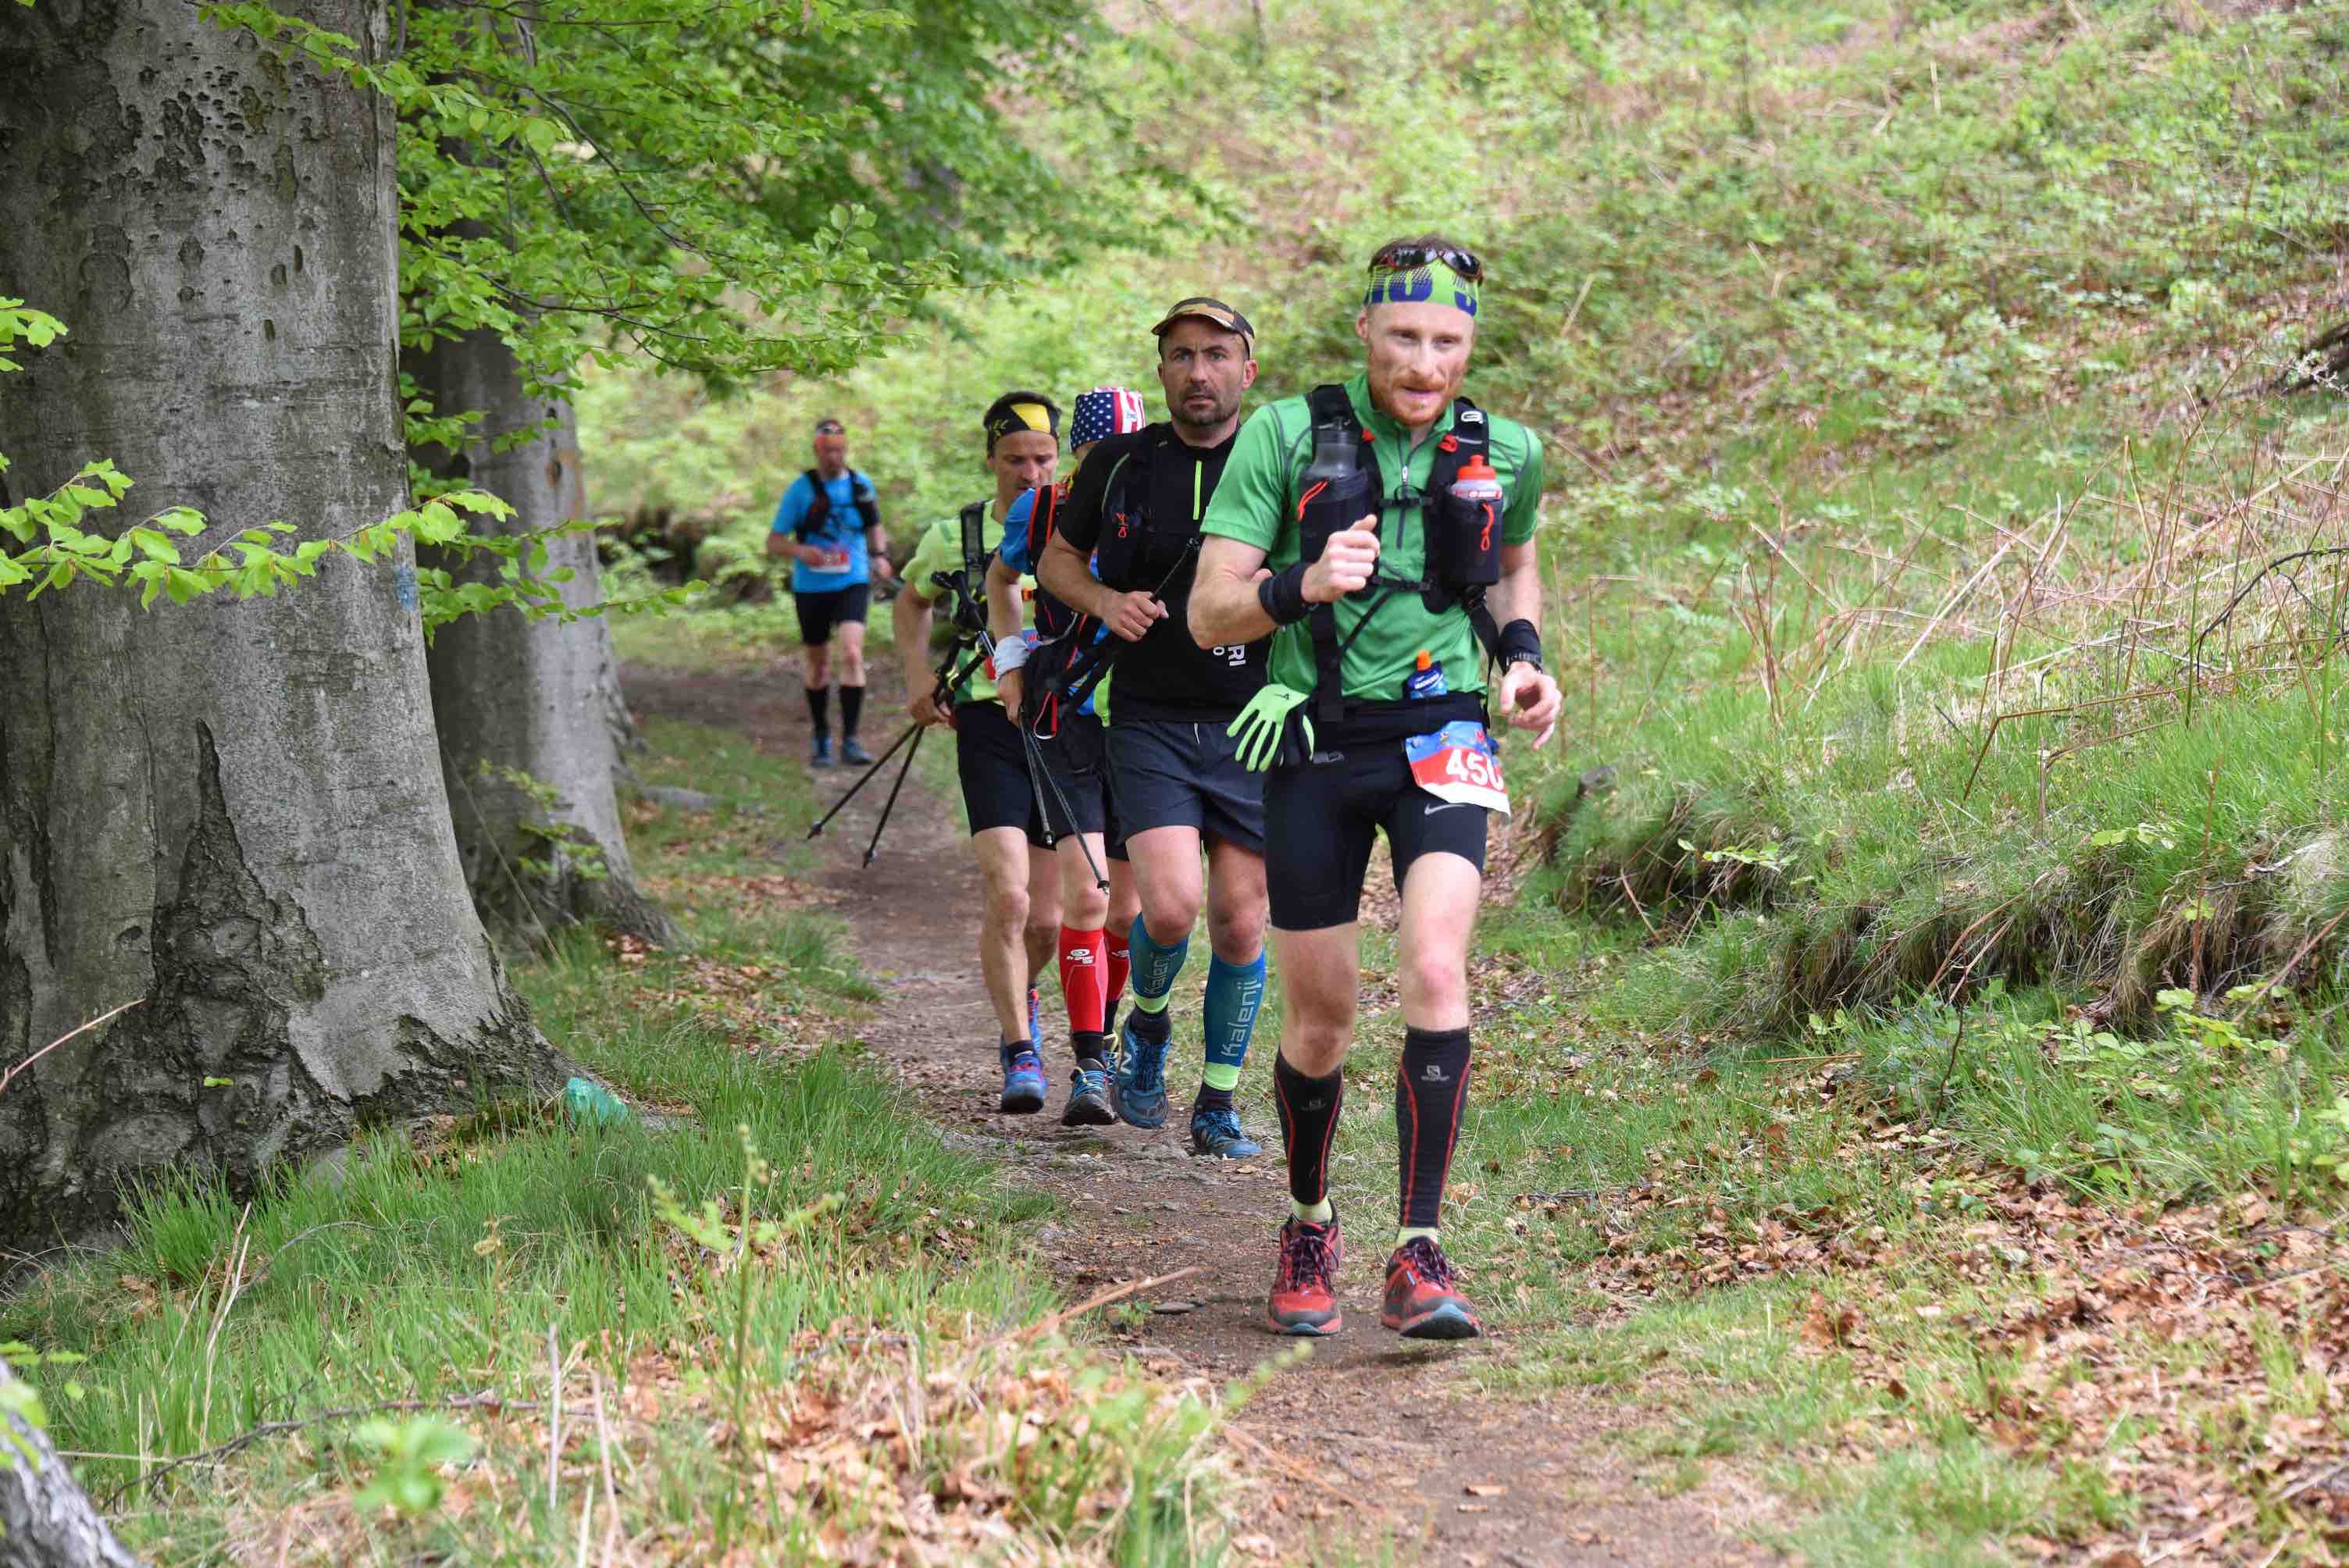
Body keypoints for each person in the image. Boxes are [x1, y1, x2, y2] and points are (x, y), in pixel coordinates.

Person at [1188, 238, 1564, 1340]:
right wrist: (1301, 584)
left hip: (1443, 732)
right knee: (1322, 1019)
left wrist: (1523, 659)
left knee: (1436, 968)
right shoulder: (1283, 435)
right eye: (1403, 337)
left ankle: (1419, 1251)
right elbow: (1210, 611)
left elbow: (1512, 563)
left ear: (1471, 345)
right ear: (1364, 331)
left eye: (1447, 342)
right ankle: (1309, 1222)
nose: (1424, 363)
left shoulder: (1509, 449)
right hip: (1314, 738)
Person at [1035, 301, 1271, 1160]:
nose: (1198, 372)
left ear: (1246, 370)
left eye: (1216, 355)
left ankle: (1217, 1104)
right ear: (1162, 370)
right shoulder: (1122, 464)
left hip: (1253, 718)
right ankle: (1147, 1026)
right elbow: (1055, 561)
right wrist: (1104, 601)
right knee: (1168, 909)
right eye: (1181, 355)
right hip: (1150, 719)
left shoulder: (1277, 460)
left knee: (1241, 923)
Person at [893, 392, 1063, 1113]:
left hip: (1062, 724)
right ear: (992, 460)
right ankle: (1020, 1050)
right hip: (988, 722)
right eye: (1015, 459)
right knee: (1010, 894)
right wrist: (917, 677)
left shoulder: (1078, 525)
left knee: (1048, 921)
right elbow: (911, 600)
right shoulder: (957, 536)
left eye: (1043, 458)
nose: (1030, 473)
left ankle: (1022, 987)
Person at [992, 388, 1149, 1126]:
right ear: (1080, 454)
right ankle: (1089, 1065)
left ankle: (1109, 1039)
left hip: (1150, 717)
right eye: (1100, 453)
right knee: (1087, 896)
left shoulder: (1169, 507)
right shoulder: (1043, 510)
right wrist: (1010, 661)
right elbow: (1001, 580)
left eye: (1130, 451)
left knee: (1132, 910)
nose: (1116, 465)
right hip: (1066, 715)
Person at [767, 416, 893, 768]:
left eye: (839, 450)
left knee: (852, 653)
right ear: (817, 451)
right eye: (827, 451)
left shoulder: (860, 485)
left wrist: (880, 557)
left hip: (852, 580)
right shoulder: (801, 490)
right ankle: (821, 736)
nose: (834, 457)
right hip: (811, 586)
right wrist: (801, 551)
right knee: (818, 664)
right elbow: (774, 541)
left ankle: (850, 740)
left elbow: (875, 525)